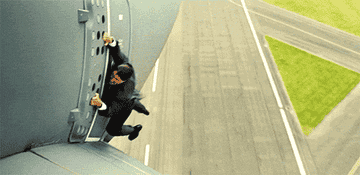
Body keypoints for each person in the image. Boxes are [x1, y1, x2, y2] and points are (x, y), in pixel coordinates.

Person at [90, 32, 149, 141]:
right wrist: (111, 41)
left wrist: (100, 104)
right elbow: (118, 54)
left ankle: (134, 130)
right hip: (129, 94)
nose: (112, 80)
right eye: (113, 76)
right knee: (136, 102)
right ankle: (141, 108)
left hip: (125, 104)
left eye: (116, 80)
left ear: (124, 81)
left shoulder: (122, 95)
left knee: (112, 129)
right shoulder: (123, 64)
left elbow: (110, 111)